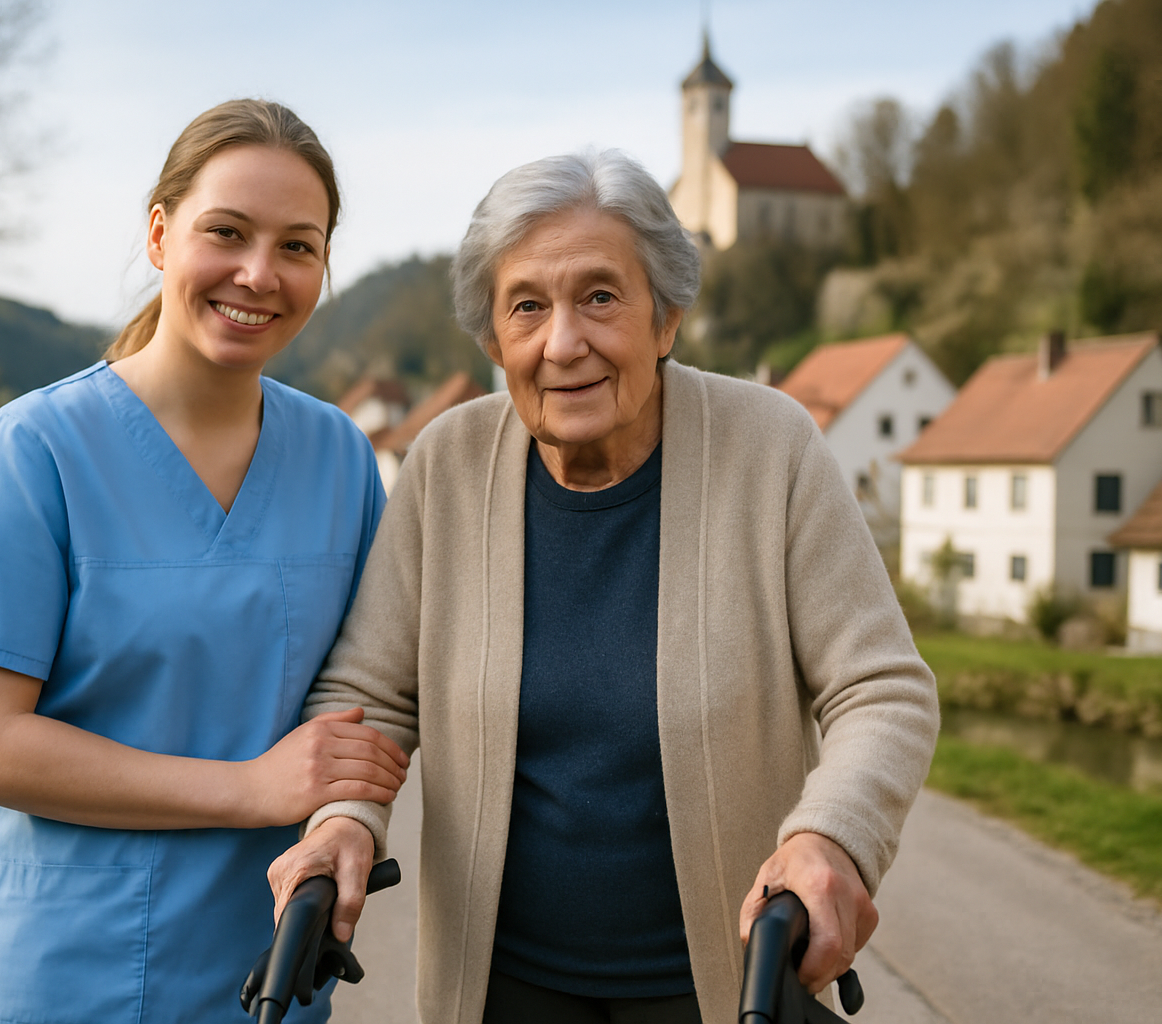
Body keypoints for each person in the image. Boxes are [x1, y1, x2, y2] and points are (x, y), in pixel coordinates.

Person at [268, 150, 939, 1024]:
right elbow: (370, 693)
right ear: (493, 340)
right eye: (528, 307)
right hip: (502, 986)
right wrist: (343, 824)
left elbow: (881, 688)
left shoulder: (770, 447)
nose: (563, 342)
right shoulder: (447, 464)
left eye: (600, 296)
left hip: (725, 981)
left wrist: (829, 836)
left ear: (665, 319)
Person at [0, 99, 409, 1024]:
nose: (259, 274)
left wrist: (341, 816)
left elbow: (370, 687)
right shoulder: (34, 452)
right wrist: (252, 788)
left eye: (298, 246)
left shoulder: (341, 458)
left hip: (267, 964)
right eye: (227, 232)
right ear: (159, 233)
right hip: (62, 973)